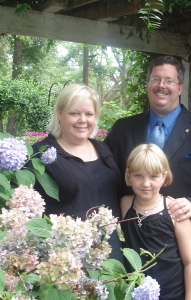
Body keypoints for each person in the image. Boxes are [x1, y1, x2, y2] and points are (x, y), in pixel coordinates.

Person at [105, 55, 191, 300]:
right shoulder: (123, 129)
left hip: (187, 243)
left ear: (180, 87)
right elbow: (105, 173)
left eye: (169, 80)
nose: (161, 85)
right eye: (155, 79)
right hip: (133, 243)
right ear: (147, 84)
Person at [31, 83, 123, 261]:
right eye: (74, 113)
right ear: (59, 113)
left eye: (89, 114)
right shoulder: (41, 154)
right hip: (66, 262)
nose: (83, 120)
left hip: (112, 257)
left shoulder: (103, 150)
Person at [121, 143, 191, 300]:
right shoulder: (125, 204)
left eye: (153, 176)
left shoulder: (174, 211)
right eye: (139, 176)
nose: (146, 183)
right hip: (132, 299)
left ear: (164, 176)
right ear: (129, 175)